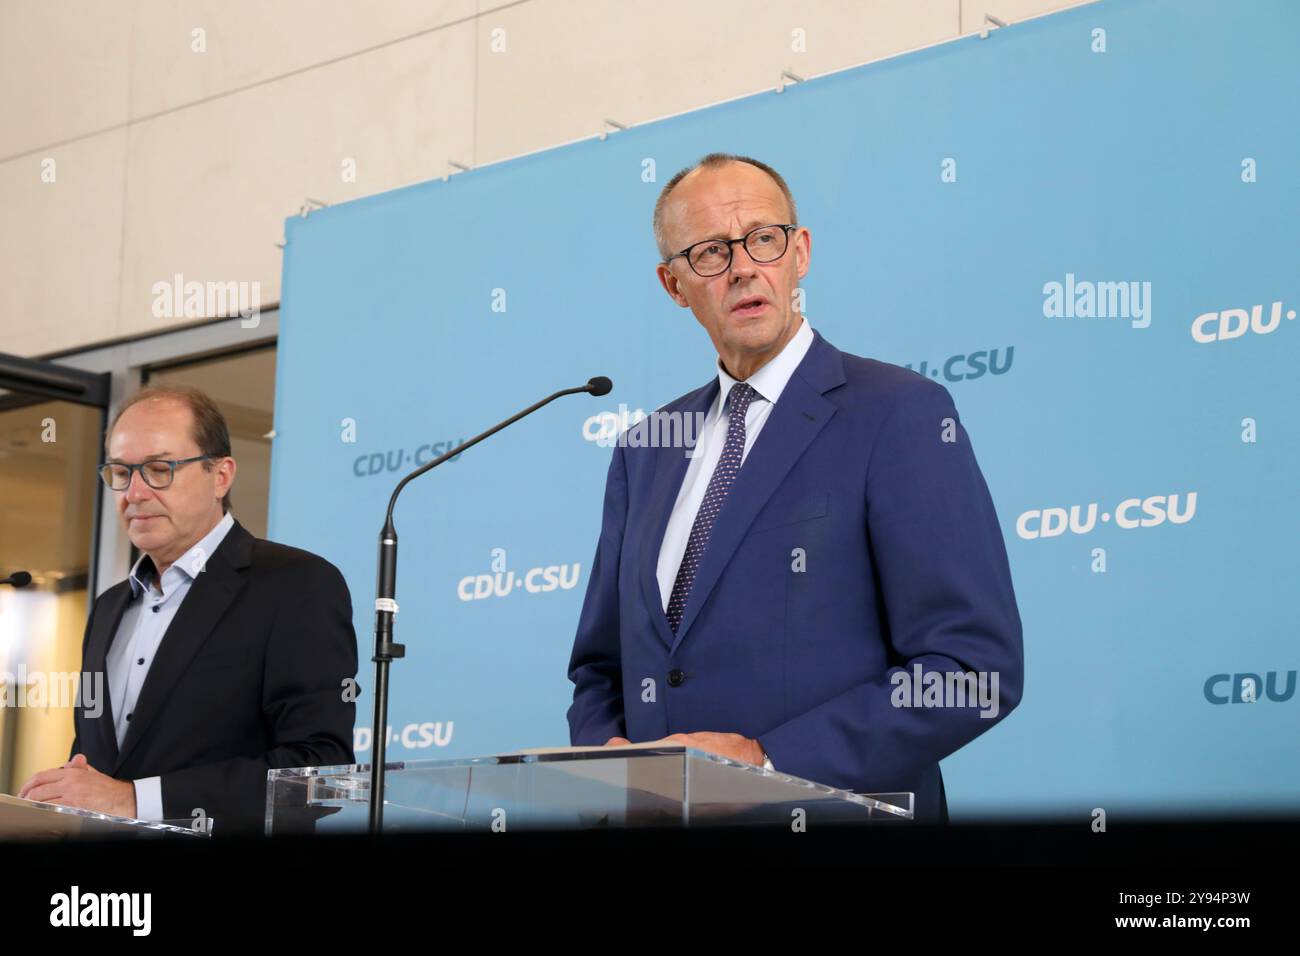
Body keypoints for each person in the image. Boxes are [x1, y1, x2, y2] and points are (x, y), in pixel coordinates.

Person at [566, 153, 1024, 823]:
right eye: (711, 253)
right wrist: (609, 762)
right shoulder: (646, 450)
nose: (744, 266)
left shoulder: (899, 412)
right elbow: (599, 671)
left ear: (799, 251)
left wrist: (765, 763)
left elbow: (972, 668)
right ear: (673, 285)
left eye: (763, 239)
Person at [17, 385, 357, 834]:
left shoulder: (296, 585)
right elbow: (95, 762)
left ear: (221, 475)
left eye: (159, 469)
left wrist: (134, 799)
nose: (134, 492)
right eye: (121, 472)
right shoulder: (108, 607)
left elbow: (320, 775)